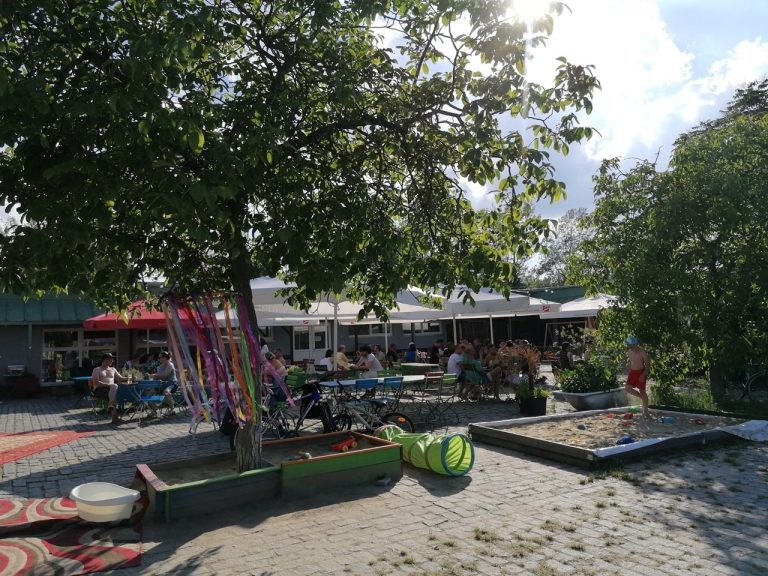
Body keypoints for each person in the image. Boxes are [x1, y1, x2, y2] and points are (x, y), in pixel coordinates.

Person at [90, 353, 132, 424]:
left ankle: (111, 407)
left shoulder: (113, 369)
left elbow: (120, 378)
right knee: (114, 388)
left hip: (111, 390)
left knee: (116, 391)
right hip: (100, 390)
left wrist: (130, 378)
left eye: (112, 360)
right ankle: (115, 417)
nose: (112, 361)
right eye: (111, 360)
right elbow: (96, 383)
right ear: (105, 360)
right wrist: (109, 385)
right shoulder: (97, 370)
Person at [625, 336, 651, 417]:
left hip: (641, 372)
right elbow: (630, 360)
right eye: (628, 345)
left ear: (635, 344)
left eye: (630, 345)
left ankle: (645, 410)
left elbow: (647, 365)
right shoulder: (629, 351)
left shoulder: (642, 352)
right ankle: (642, 398)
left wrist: (643, 375)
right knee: (627, 389)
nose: (629, 347)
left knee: (642, 391)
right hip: (632, 372)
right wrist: (629, 368)